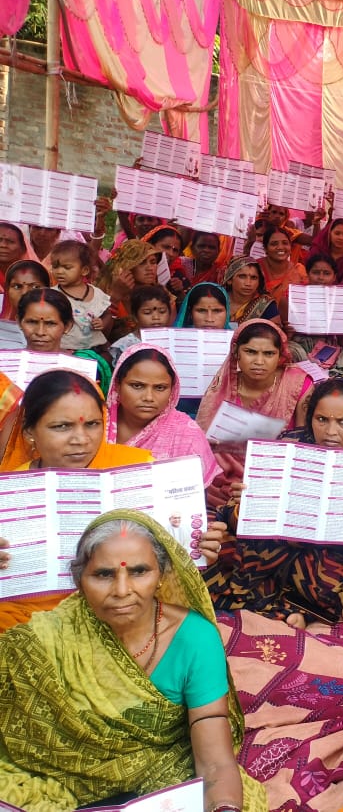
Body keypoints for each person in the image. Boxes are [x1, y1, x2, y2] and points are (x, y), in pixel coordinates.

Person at [0, 510, 265, 811]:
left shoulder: (194, 639)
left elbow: (215, 761)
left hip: (162, 774)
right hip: (51, 777)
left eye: (139, 572)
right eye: (104, 574)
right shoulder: (46, 638)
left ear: (161, 575)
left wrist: (224, 807)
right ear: (79, 581)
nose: (122, 590)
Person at [207, 377, 343, 625]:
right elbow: (238, 522)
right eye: (321, 419)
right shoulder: (288, 447)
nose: (330, 432)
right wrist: (248, 505)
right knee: (209, 552)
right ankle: (298, 609)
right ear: (310, 418)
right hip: (274, 549)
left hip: (335, 560)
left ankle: (288, 605)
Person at [0, 370, 154, 628]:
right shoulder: (10, 493)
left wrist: (191, 542)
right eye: (62, 426)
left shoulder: (137, 470)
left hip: (123, 610)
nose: (81, 440)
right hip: (28, 621)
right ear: (29, 432)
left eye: (92, 424)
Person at [196, 319, 312, 497]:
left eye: (269, 354)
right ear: (236, 352)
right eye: (250, 352)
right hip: (220, 485)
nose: (259, 361)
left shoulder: (297, 385)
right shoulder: (222, 388)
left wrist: (260, 486)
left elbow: (304, 446)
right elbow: (205, 446)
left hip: (277, 482)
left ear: (280, 355)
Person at [107, 343, 221, 487]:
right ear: (117, 385)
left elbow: (195, 496)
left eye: (160, 388)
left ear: (172, 389)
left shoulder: (187, 435)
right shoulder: (94, 424)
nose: (148, 397)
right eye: (137, 386)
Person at [50, 240, 111, 352]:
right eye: (55, 267)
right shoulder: (52, 295)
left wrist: (102, 322)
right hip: (64, 349)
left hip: (94, 348)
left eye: (67, 267)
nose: (59, 271)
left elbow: (107, 314)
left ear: (84, 270)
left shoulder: (97, 293)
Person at [107, 284, 173, 365]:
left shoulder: (174, 342)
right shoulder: (126, 345)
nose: (156, 317)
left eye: (162, 311)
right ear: (135, 316)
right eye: (147, 312)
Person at [257, 225, 307, 316]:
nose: (280, 247)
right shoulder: (256, 268)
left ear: (290, 247)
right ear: (265, 248)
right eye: (274, 244)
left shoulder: (299, 271)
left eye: (285, 243)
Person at [221, 256, 279, 326]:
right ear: (229, 280)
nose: (248, 283)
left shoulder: (265, 305)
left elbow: (275, 330)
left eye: (254, 278)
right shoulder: (218, 299)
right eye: (242, 276)